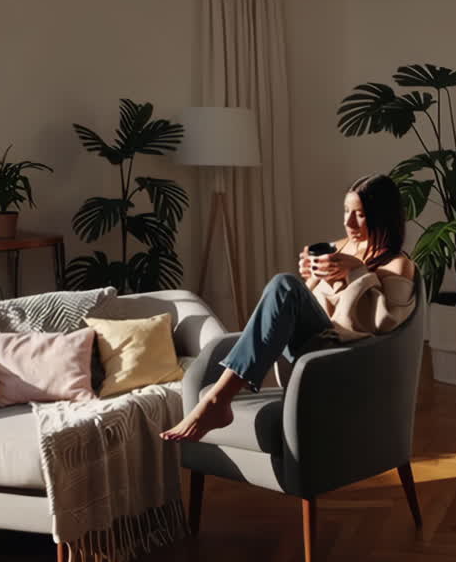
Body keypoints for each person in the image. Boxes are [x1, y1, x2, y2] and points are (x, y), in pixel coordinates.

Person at [161, 173, 417, 442]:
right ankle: (218, 400)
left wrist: (358, 271)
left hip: (345, 361)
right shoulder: (337, 248)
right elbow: (313, 305)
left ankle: (217, 400)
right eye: (346, 211)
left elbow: (385, 322)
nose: (348, 222)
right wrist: (311, 277)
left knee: (283, 284)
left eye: (360, 215)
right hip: (308, 354)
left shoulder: (397, 264)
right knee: (285, 285)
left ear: (383, 216)